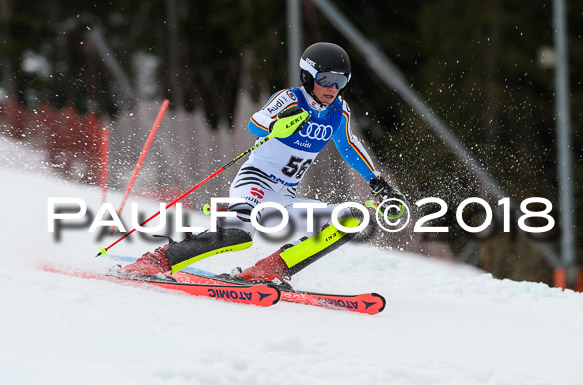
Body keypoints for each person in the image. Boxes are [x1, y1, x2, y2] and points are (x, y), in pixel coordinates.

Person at [120, 42, 403, 283]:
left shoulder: (338, 111)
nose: (333, 89)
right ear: (308, 76)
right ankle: (158, 260)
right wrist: (277, 125)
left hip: (285, 197)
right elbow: (257, 123)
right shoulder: (290, 98)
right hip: (255, 183)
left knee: (350, 220)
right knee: (238, 234)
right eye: (326, 79)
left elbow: (349, 145)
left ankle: (270, 269)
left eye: (341, 82)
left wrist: (378, 183)